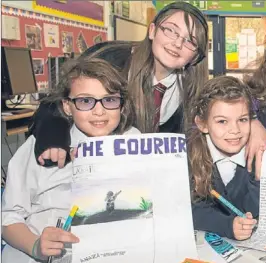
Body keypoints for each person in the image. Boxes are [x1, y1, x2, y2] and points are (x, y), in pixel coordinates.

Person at [1, 58, 139, 263]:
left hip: (110, 260)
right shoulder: (42, 147)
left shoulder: (134, 141)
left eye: (110, 100)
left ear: (122, 105)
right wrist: (36, 246)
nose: (99, 111)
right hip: (39, 260)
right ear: (67, 106)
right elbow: (8, 217)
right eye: (85, 101)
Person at [30, 2, 209, 167]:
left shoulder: (192, 91)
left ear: (196, 56)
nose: (177, 43)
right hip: (91, 169)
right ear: (152, 30)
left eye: (191, 40)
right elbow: (57, 102)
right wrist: (55, 140)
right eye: (171, 30)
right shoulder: (107, 58)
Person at [187, 76, 263, 241]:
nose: (234, 130)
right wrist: (228, 226)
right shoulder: (190, 155)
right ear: (202, 124)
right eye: (222, 121)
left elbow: (254, 211)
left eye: (242, 120)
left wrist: (258, 180)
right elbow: (192, 210)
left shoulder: (259, 154)